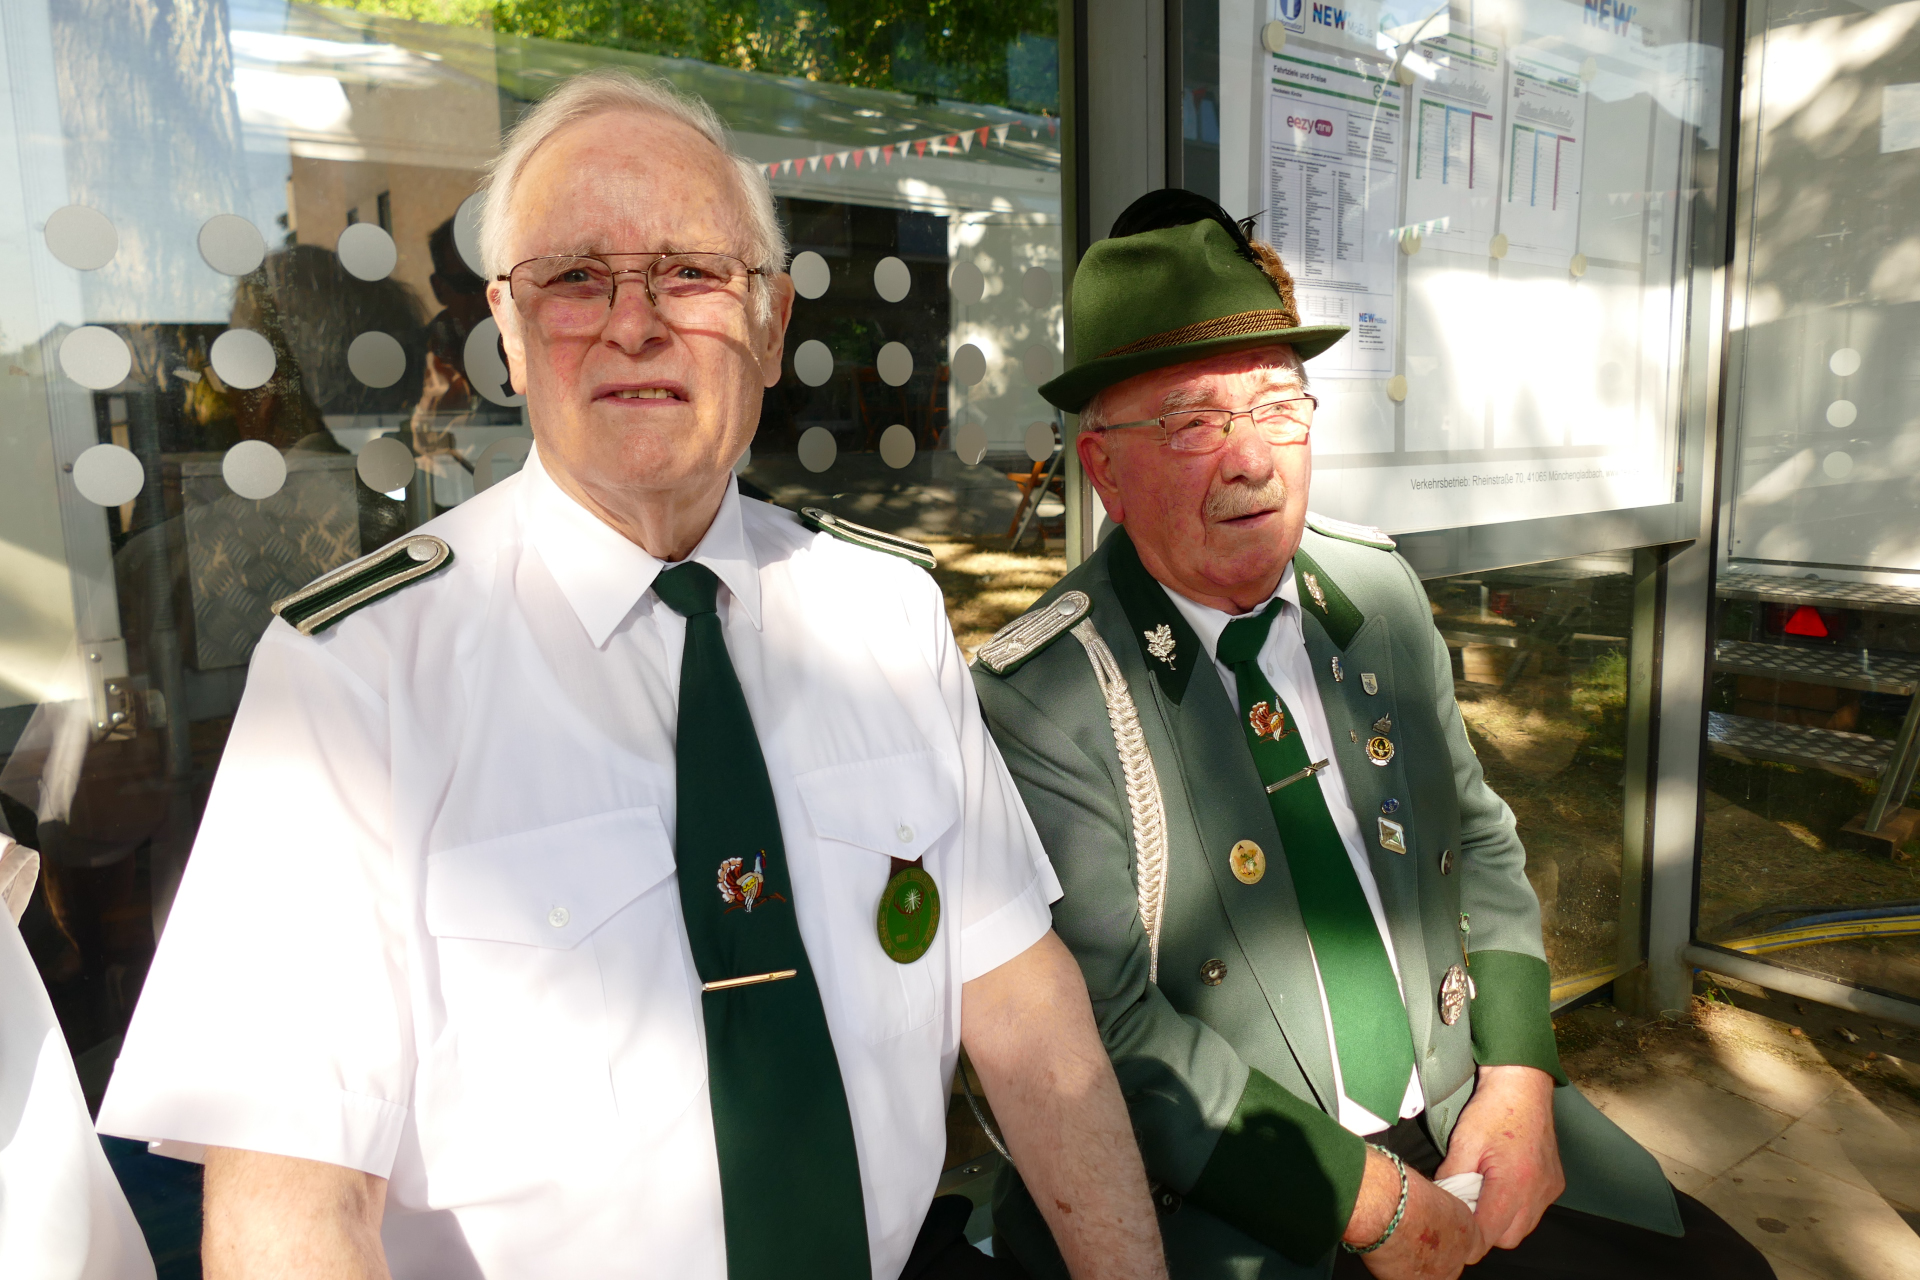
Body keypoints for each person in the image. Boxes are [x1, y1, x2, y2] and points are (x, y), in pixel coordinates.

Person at [96, 71, 1166, 1280]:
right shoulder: (352, 678)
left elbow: (1025, 1010)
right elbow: (291, 1210)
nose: (635, 323)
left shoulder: (886, 614)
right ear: (508, 331)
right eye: (575, 278)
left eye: (690, 272)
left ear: (771, 322)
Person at [969, 191, 1775, 1280]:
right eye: (1195, 423)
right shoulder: (1047, 693)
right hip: (1254, 1185)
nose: (1253, 461)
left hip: (1464, 1113)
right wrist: (1370, 1203)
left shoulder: (1376, 593)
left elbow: (1477, 842)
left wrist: (1519, 1077)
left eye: (1278, 408)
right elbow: (1103, 1030)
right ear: (1104, 468)